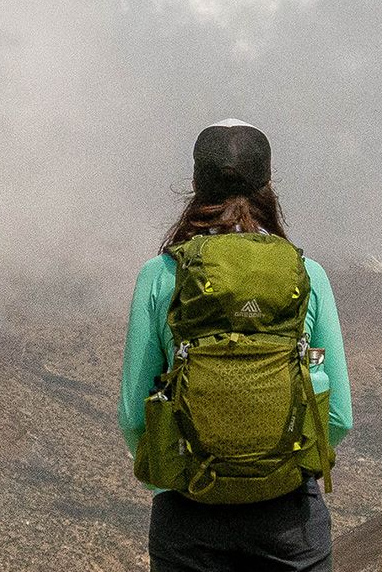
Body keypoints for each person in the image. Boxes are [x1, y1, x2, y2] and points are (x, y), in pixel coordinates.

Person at [120, 119, 353, 572]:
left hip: (188, 518)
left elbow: (134, 417)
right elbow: (339, 416)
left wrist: (183, 477)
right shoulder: (308, 276)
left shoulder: (160, 275)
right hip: (290, 522)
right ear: (268, 184)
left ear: (194, 185)